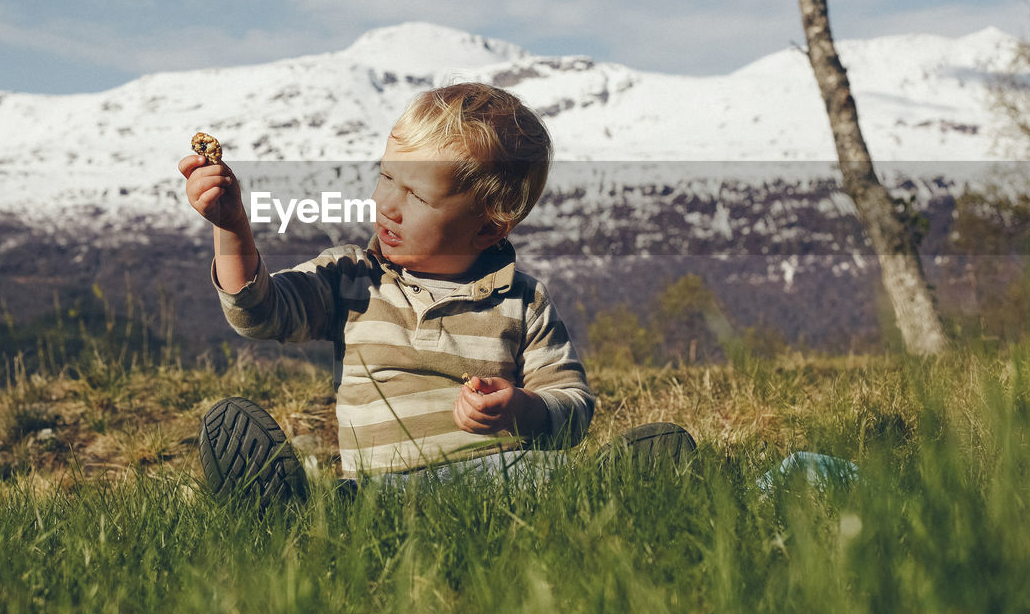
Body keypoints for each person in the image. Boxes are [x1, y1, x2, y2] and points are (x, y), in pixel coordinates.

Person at [179, 82, 691, 504]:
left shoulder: (523, 301)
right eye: (386, 178)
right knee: (349, 505)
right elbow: (261, 313)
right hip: (384, 491)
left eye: (417, 196)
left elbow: (573, 407)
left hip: (508, 483)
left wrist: (523, 409)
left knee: (560, 486)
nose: (387, 204)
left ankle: (609, 488)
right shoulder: (351, 277)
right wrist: (231, 227)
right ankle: (277, 505)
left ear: (489, 228)